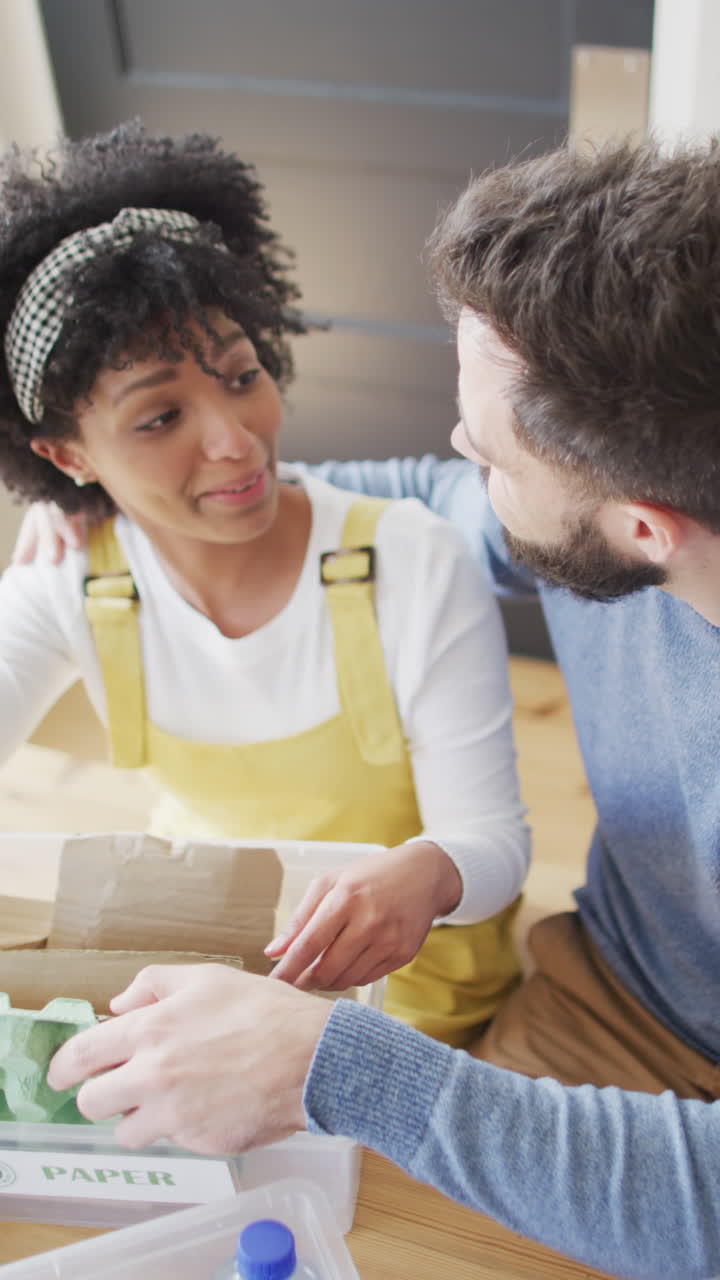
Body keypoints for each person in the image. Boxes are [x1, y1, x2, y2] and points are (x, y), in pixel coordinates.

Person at [48, 135, 720, 1280]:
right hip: (623, 994)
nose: (458, 454)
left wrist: (339, 1063)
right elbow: (397, 500)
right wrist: (129, 505)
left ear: (644, 529)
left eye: (492, 456)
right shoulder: (642, 487)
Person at [0, 122, 531, 1044]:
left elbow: (494, 843)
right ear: (67, 456)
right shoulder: (68, 583)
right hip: (207, 980)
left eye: (241, 377)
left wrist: (428, 872)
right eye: (161, 417)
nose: (234, 440)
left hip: (413, 1000)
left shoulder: (412, 558)